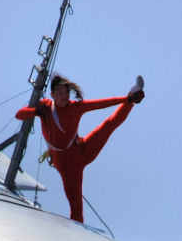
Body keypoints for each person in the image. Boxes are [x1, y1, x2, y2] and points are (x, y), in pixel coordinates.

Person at [16, 74, 145, 223]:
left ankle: (133, 92)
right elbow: (19, 115)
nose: (64, 96)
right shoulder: (45, 106)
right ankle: (76, 237)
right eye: (60, 93)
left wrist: (128, 99)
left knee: (108, 125)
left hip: (82, 149)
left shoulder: (75, 107)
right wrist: (35, 112)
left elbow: (101, 103)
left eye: (66, 92)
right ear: (52, 95)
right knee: (76, 206)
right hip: (67, 166)